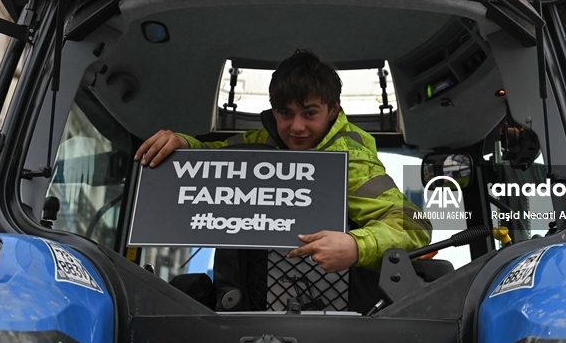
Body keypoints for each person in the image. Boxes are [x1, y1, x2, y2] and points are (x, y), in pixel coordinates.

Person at [134, 50, 431, 312]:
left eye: (310, 113)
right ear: (273, 109)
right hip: (249, 317)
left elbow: (414, 224)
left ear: (333, 110)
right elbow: (216, 160)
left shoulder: (351, 158)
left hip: (344, 321)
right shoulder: (260, 143)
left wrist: (356, 245)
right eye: (285, 113)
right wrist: (182, 145)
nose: (297, 127)